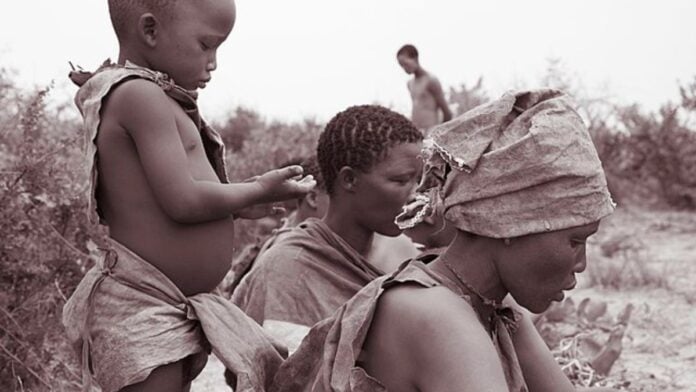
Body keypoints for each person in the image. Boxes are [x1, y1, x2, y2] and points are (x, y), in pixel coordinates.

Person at [269, 89, 617, 392]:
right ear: (511, 225)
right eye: (575, 241)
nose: (582, 263)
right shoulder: (441, 318)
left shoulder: (497, 311)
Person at [61, 1, 315, 391]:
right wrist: (257, 188)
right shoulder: (139, 96)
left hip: (167, 307)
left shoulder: (156, 98)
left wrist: (242, 203)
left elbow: (165, 197)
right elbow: (182, 202)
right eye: (206, 45)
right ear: (150, 31)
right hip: (143, 308)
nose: (213, 62)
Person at [232, 105, 423, 348]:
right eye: (401, 180)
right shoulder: (289, 269)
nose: (417, 194)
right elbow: (289, 375)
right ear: (349, 179)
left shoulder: (405, 254)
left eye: (419, 180)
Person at [396, 44, 453, 133]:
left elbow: (447, 113)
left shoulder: (431, 80)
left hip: (431, 131)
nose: (405, 69)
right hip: (417, 132)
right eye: (401, 66)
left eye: (405, 64)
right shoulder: (410, 84)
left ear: (415, 58)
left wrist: (438, 133)